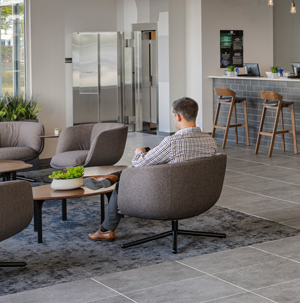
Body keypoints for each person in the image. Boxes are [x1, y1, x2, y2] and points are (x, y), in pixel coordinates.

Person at [86, 97, 218, 241]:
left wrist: (139, 152)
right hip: (199, 195)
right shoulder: (210, 141)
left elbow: (139, 163)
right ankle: (112, 177)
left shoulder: (172, 142)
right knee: (157, 165)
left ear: (178, 116)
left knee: (126, 179)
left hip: (168, 198)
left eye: (174, 116)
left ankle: (106, 229)